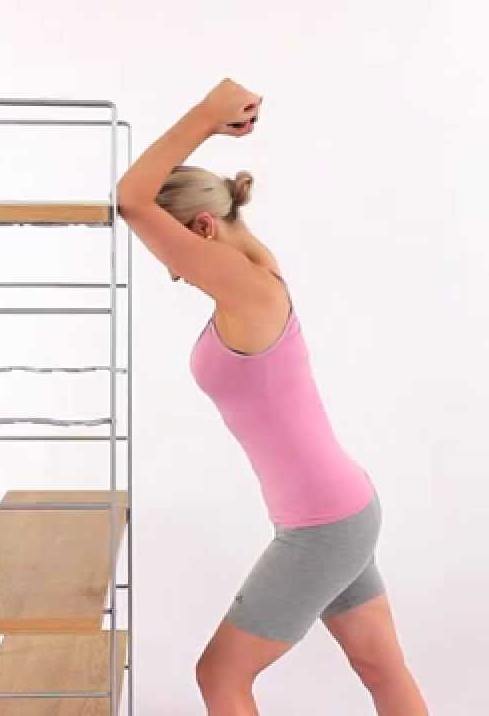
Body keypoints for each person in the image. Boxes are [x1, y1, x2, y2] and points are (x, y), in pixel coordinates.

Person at [116, 78, 429, 716]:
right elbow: (150, 203)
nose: (171, 270)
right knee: (380, 667)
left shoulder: (248, 288)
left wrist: (207, 115)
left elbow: (131, 199)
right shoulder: (256, 270)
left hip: (323, 524)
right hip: (338, 509)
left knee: (219, 676)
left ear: (203, 228)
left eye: (170, 252)